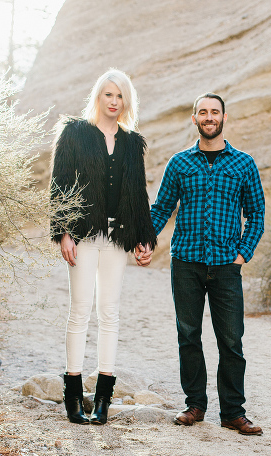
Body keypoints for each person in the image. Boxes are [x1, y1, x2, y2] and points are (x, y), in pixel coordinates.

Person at [145, 93, 266, 435]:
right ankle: (195, 405)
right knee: (189, 335)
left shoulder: (243, 163)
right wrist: (145, 241)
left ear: (224, 118)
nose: (209, 117)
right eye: (203, 112)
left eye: (215, 112)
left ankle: (233, 412)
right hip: (185, 262)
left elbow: (256, 214)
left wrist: (244, 251)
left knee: (231, 340)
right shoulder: (180, 163)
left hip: (227, 265)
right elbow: (161, 209)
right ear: (194, 118)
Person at [49, 68, 156, 425]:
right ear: (98, 95)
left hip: (117, 236)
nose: (114, 101)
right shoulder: (75, 133)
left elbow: (138, 194)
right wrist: (62, 231)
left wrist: (144, 238)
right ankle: (73, 395)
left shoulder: (131, 141)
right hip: (81, 235)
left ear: (127, 101)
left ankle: (104, 400)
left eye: (120, 96)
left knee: (109, 313)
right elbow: (60, 184)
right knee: (79, 311)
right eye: (109, 94)